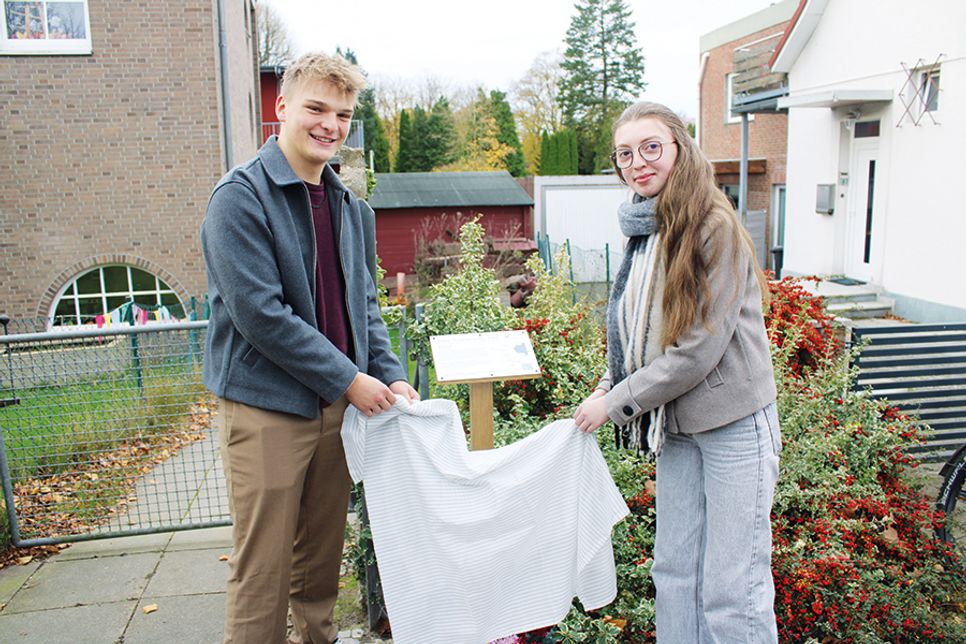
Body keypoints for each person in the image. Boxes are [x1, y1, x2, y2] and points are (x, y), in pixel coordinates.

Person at [201, 52, 418, 644]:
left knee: (319, 566)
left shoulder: (353, 209)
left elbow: (365, 308)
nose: (330, 124)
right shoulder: (239, 199)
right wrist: (351, 380)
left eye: (343, 114)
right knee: (263, 570)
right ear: (282, 108)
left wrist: (389, 374)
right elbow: (262, 318)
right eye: (316, 108)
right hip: (267, 409)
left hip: (338, 411)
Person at [573, 101, 780, 643]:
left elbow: (697, 350)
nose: (637, 163)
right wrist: (605, 386)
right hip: (678, 427)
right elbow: (635, 333)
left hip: (734, 423)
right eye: (625, 154)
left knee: (734, 588)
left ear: (679, 150)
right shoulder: (644, 228)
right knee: (673, 574)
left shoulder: (714, 225)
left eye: (650, 148)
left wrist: (615, 403)